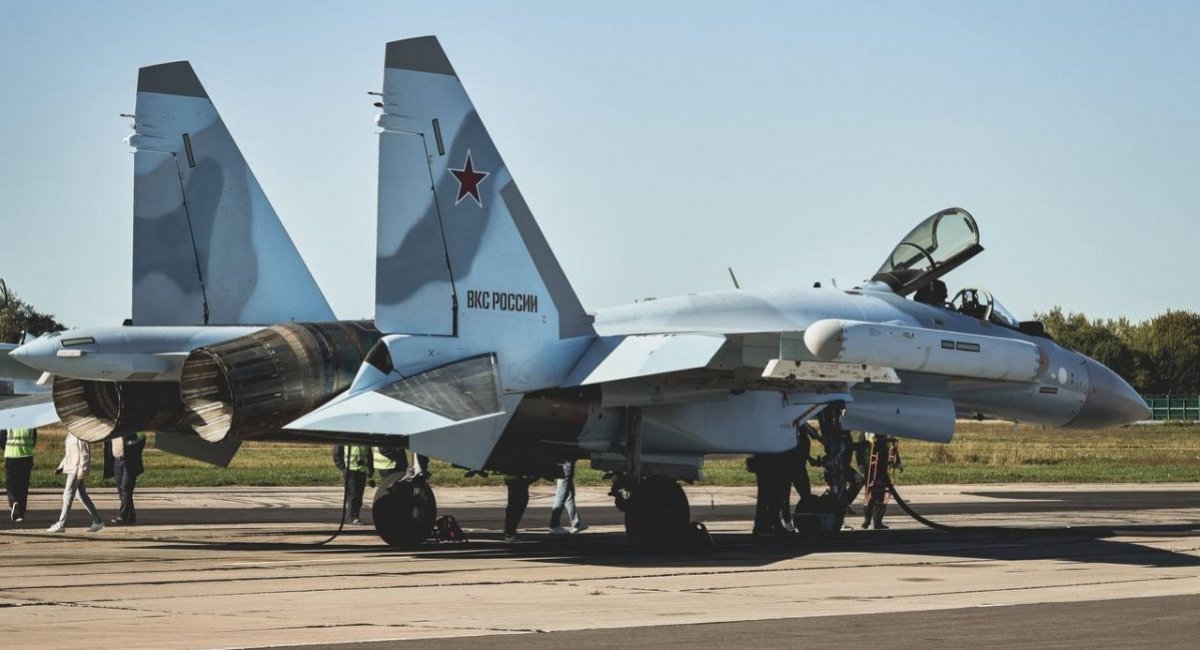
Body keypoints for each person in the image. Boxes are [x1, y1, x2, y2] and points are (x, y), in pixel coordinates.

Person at [48, 434, 105, 533]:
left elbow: (84, 454)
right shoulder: (70, 435)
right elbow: (69, 454)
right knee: (82, 496)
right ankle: (98, 521)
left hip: (76, 470)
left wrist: (82, 471)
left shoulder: (81, 435)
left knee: (67, 496)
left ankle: (61, 524)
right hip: (71, 468)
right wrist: (61, 466)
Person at [779, 424, 816, 531]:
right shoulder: (788, 428)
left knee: (805, 496)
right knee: (785, 498)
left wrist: (808, 458)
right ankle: (788, 523)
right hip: (787, 467)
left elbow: (809, 439)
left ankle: (803, 521)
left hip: (798, 466)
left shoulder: (802, 427)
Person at [104, 431, 146, 525]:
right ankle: (131, 516)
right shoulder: (112, 429)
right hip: (117, 462)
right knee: (121, 491)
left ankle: (123, 516)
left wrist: (134, 453)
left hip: (129, 462)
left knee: (126, 488)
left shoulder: (131, 427)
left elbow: (142, 438)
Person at [862, 433, 902, 530]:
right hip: (872, 467)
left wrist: (897, 462)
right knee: (871, 493)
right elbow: (863, 449)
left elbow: (893, 448)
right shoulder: (869, 435)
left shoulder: (885, 436)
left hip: (881, 467)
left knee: (880, 494)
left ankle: (876, 521)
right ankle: (868, 520)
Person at [748, 450, 790, 537]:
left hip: (764, 461)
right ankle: (771, 524)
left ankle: (764, 525)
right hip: (771, 462)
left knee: (765, 494)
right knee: (773, 494)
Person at [332, 444, 372, 525]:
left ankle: (355, 515)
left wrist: (370, 470)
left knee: (359, 495)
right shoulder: (347, 436)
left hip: (362, 469)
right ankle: (353, 517)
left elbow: (369, 454)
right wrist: (343, 467)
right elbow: (336, 453)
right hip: (350, 469)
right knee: (353, 495)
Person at [3, 427, 36, 522]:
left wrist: (6, 448)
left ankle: (13, 501)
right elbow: (34, 439)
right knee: (23, 485)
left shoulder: (9, 420)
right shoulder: (31, 422)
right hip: (27, 455)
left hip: (11, 454)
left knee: (10, 482)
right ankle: (20, 513)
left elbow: (2, 438)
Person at [548, 459, 587, 534]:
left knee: (568, 495)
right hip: (565, 465)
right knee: (561, 496)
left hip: (563, 465)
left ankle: (577, 523)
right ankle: (554, 525)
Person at [503, 475, 536, 540]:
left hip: (514, 475)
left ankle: (510, 530)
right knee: (518, 501)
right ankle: (510, 531)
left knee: (515, 501)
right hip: (519, 475)